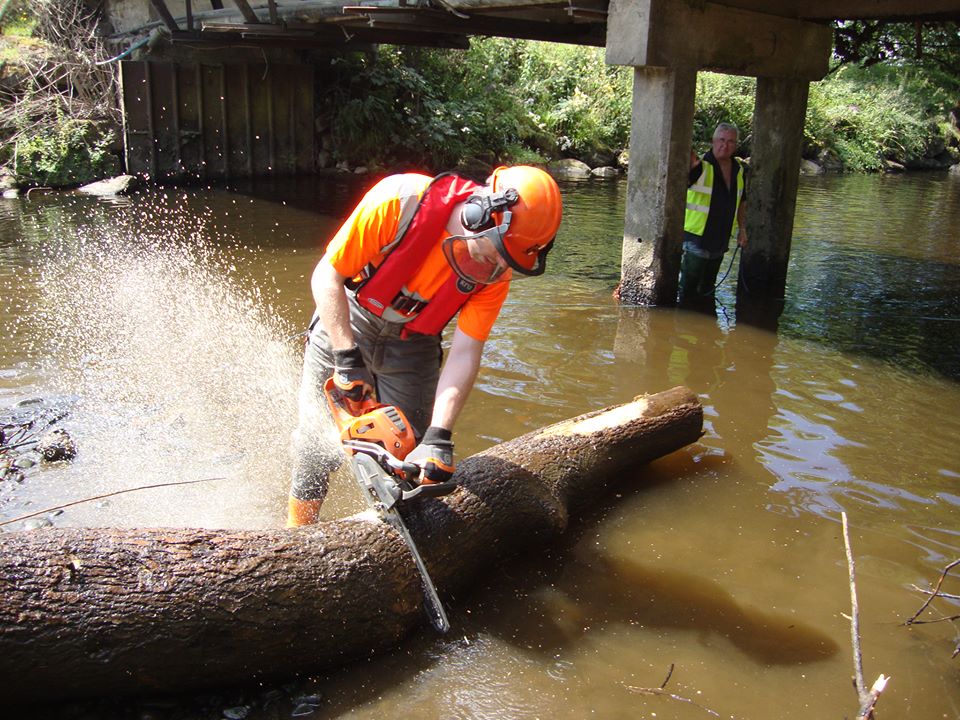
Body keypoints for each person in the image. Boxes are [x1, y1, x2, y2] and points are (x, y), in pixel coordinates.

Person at [287, 166, 564, 526]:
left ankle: (390, 539)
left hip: (413, 341)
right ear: (481, 214)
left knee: (409, 453)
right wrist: (345, 358)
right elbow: (327, 276)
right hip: (349, 314)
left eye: (508, 260)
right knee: (314, 445)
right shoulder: (398, 201)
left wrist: (440, 435)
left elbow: (467, 350)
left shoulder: (496, 274)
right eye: (498, 251)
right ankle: (298, 529)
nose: (498, 264)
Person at [679, 122, 748, 303]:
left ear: (736, 145)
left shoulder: (739, 171)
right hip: (696, 239)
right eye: (721, 140)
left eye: (731, 142)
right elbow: (682, 181)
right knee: (688, 289)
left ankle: (705, 325)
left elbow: (742, 200)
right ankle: (681, 325)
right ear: (713, 140)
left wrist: (743, 229)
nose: (725, 145)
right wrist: (688, 168)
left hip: (720, 240)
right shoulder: (701, 166)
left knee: (708, 288)